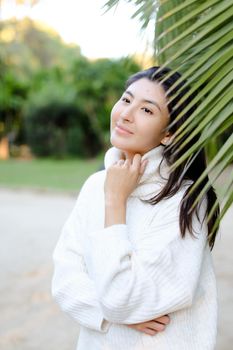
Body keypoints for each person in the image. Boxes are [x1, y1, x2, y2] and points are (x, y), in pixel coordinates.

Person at [51, 66, 219, 350]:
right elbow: (64, 281)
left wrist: (115, 201)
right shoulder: (96, 185)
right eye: (127, 100)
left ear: (169, 134)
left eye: (147, 110)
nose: (126, 114)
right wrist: (112, 314)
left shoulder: (186, 200)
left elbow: (123, 298)